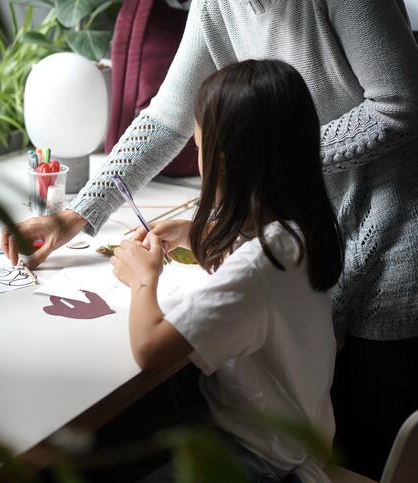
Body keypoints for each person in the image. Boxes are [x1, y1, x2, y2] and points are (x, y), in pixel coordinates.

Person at [2, 0, 418, 477]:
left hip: (405, 234)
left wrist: (269, 158)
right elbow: (167, 118)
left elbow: (402, 106)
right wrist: (76, 214)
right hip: (315, 217)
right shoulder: (217, 5)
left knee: (371, 440)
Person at [110, 59, 343, 482]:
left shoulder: (259, 267)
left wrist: (143, 278)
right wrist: (199, 233)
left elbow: (149, 351)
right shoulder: (302, 230)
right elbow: (251, 262)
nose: (197, 159)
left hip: (259, 461)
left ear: (225, 160)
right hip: (293, 442)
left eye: (199, 147)